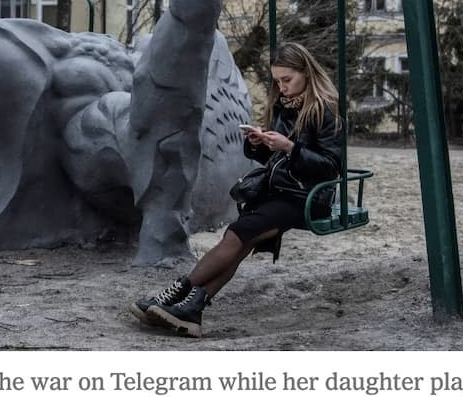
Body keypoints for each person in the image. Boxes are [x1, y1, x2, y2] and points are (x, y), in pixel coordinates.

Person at [130, 42, 342, 337]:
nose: (281, 87)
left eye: (287, 80)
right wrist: (258, 144)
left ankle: (175, 296)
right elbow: (275, 160)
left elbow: (332, 166)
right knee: (239, 243)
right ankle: (190, 310)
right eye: (277, 80)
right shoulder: (284, 107)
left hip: (307, 197)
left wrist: (291, 147)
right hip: (280, 190)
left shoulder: (324, 110)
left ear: (306, 72)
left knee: (235, 236)